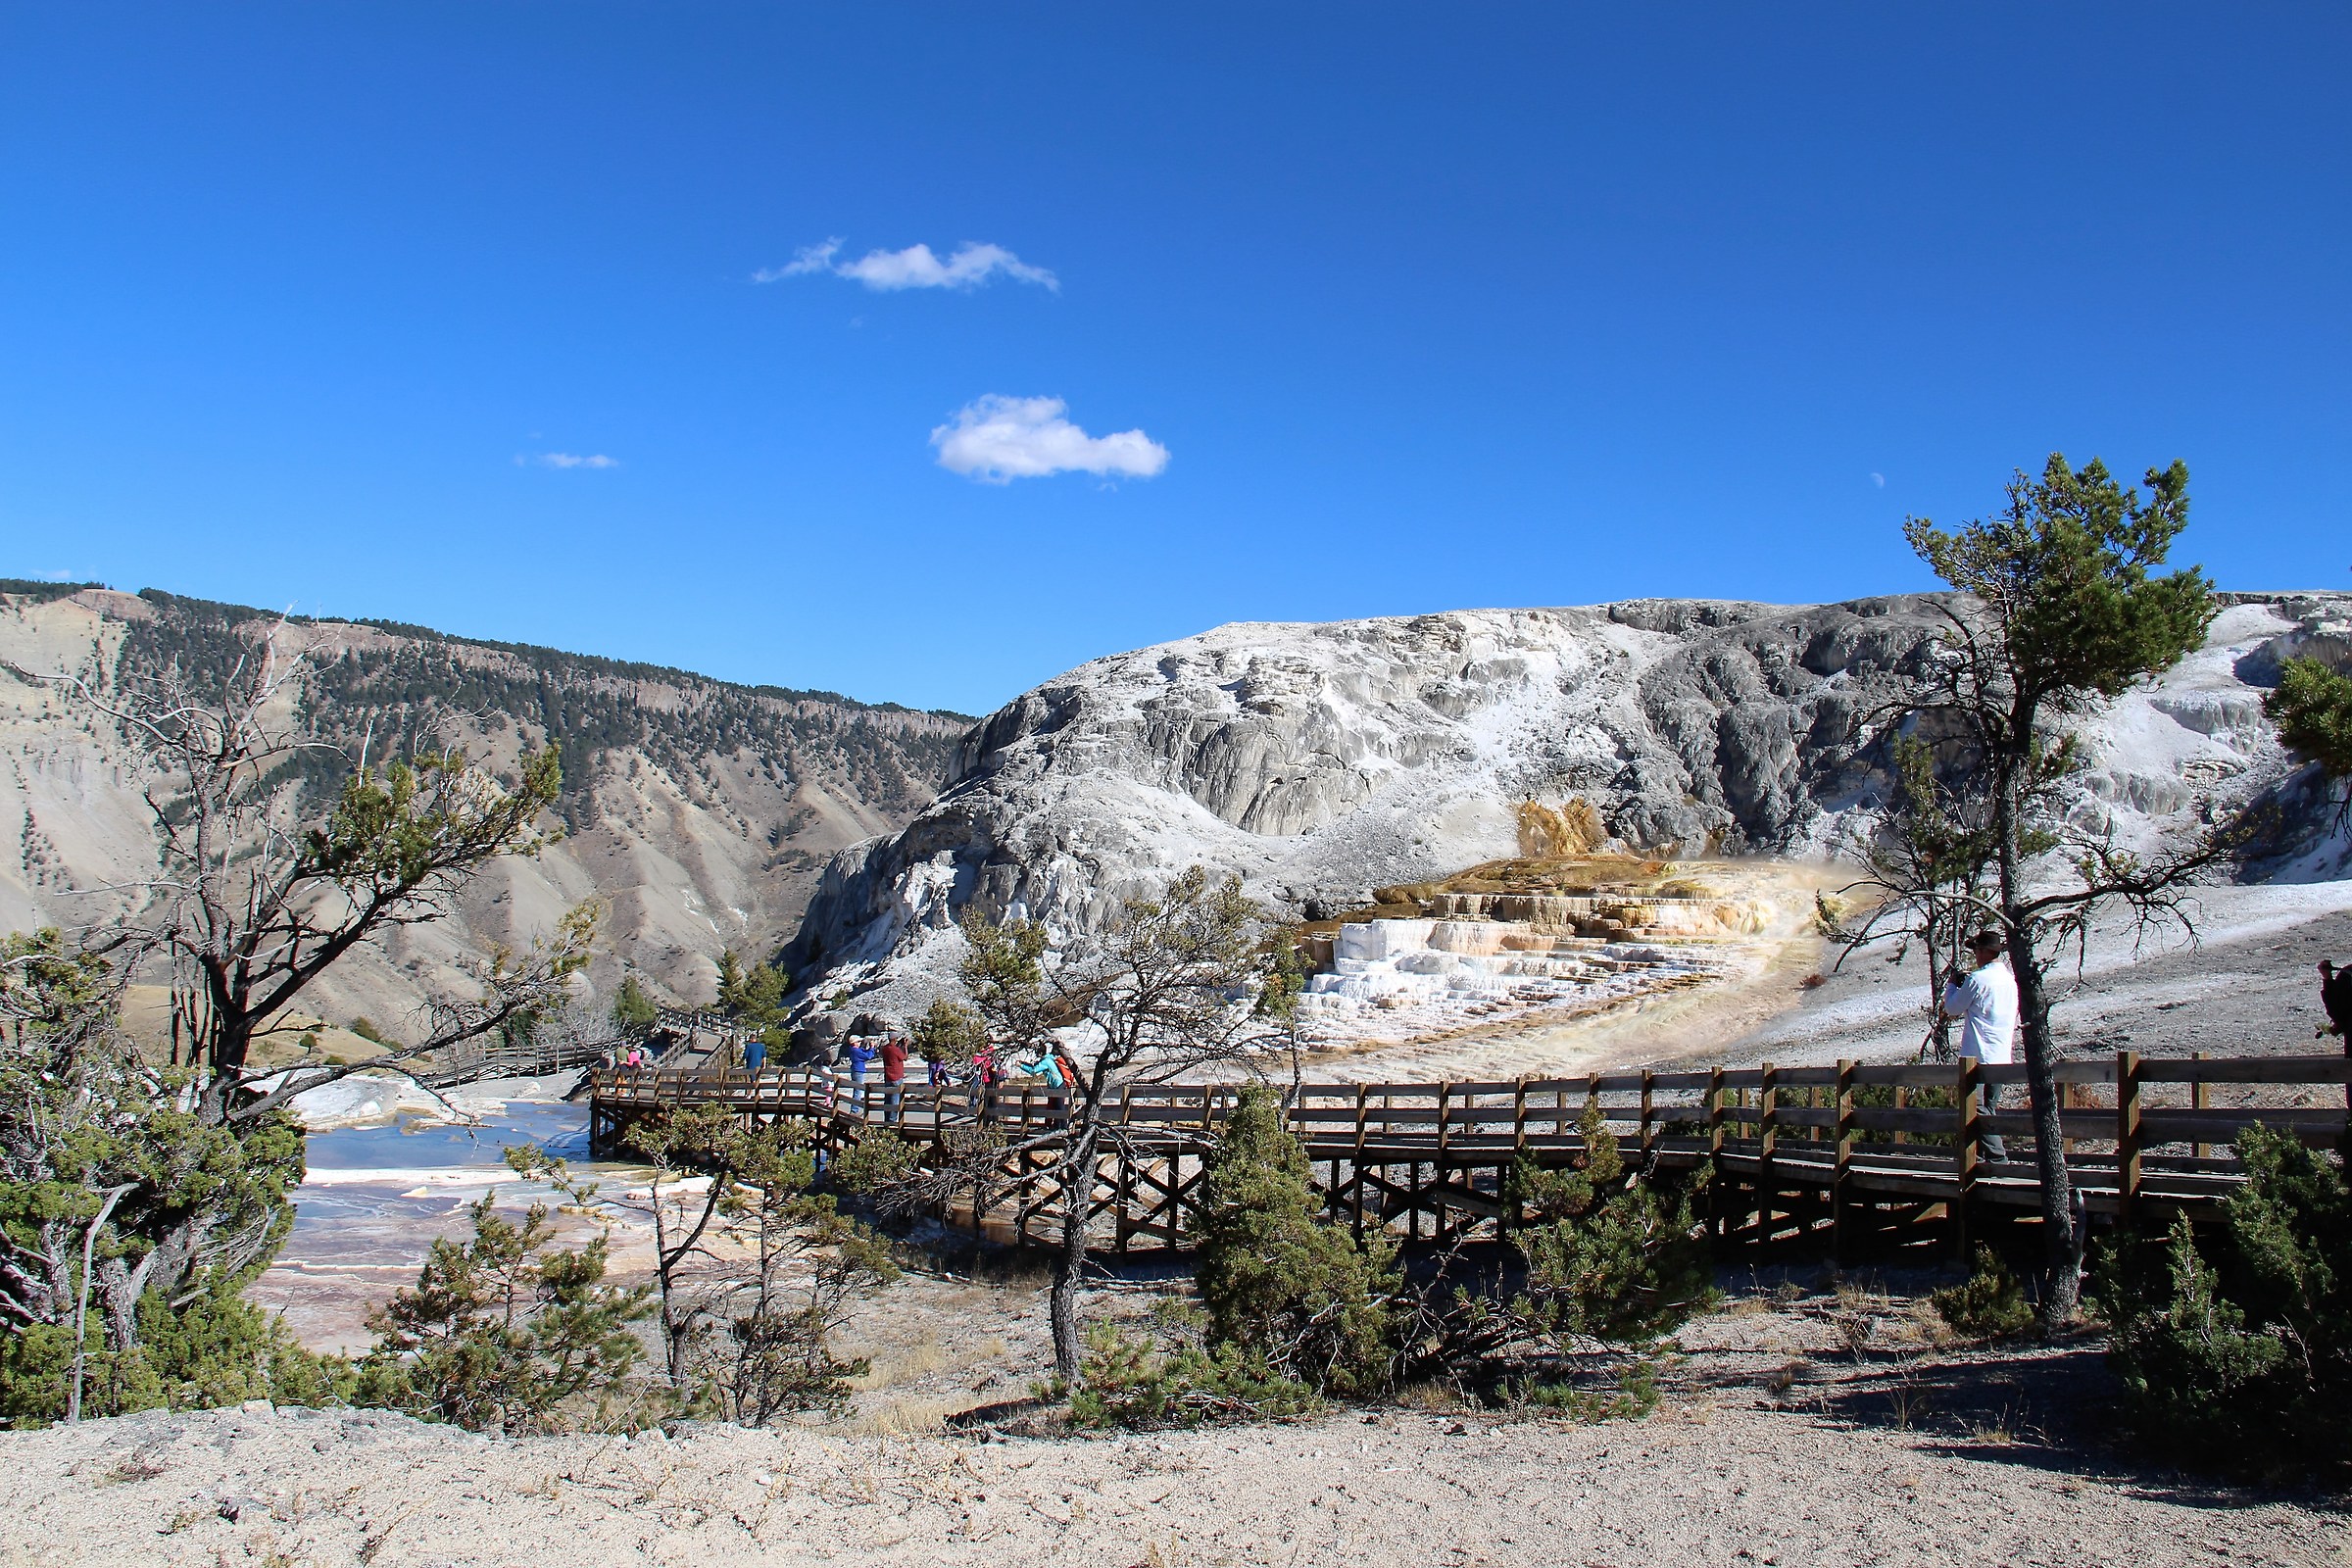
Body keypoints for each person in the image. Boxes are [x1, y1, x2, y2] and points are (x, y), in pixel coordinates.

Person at [1940, 928, 2018, 1161]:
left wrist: (1953, 986)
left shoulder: (1977, 980)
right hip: (2002, 1054)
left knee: (1976, 1109)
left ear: (1984, 951)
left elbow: (1952, 1008)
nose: (1975, 954)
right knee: (1989, 1110)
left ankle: (1997, 1159)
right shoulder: (2010, 981)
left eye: (1976, 950)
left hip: (1979, 1056)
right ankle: (1984, 1162)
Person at [880, 1034, 908, 1122]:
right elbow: (905, 1057)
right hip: (896, 1077)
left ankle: (887, 1120)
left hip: (888, 1076)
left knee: (888, 1100)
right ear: (895, 1039)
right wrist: (905, 1046)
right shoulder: (895, 1049)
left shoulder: (885, 1049)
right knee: (895, 1101)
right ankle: (892, 1121)